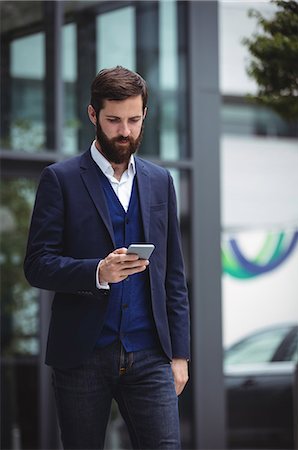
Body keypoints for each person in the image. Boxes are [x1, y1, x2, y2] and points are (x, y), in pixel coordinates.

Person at [24, 66, 190, 450]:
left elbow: (173, 276)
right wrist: (97, 271)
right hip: (83, 356)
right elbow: (37, 264)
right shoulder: (60, 179)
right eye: (114, 120)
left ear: (145, 114)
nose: (125, 131)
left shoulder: (160, 181)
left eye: (134, 120)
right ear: (93, 115)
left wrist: (179, 355)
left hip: (150, 355)